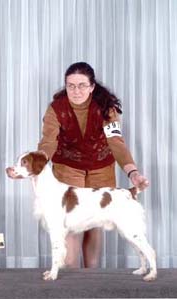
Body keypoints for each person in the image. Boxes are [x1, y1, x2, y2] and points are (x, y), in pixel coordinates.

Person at [38, 62, 149, 269]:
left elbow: (116, 143)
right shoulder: (56, 109)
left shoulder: (107, 108)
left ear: (92, 87)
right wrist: (39, 161)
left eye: (81, 85)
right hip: (68, 167)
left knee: (96, 221)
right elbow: (48, 142)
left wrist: (132, 172)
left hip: (101, 167)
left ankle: (92, 275)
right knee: (72, 224)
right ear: (65, 86)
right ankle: (71, 273)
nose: (76, 91)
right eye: (71, 85)